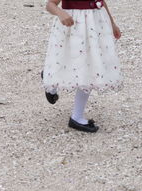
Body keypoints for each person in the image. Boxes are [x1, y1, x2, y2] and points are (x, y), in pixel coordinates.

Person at [42, 0, 123, 132]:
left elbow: (101, 2)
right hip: (74, 26)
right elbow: (50, 4)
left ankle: (77, 117)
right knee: (64, 60)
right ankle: (49, 81)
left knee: (90, 68)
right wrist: (61, 13)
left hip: (95, 25)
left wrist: (112, 23)